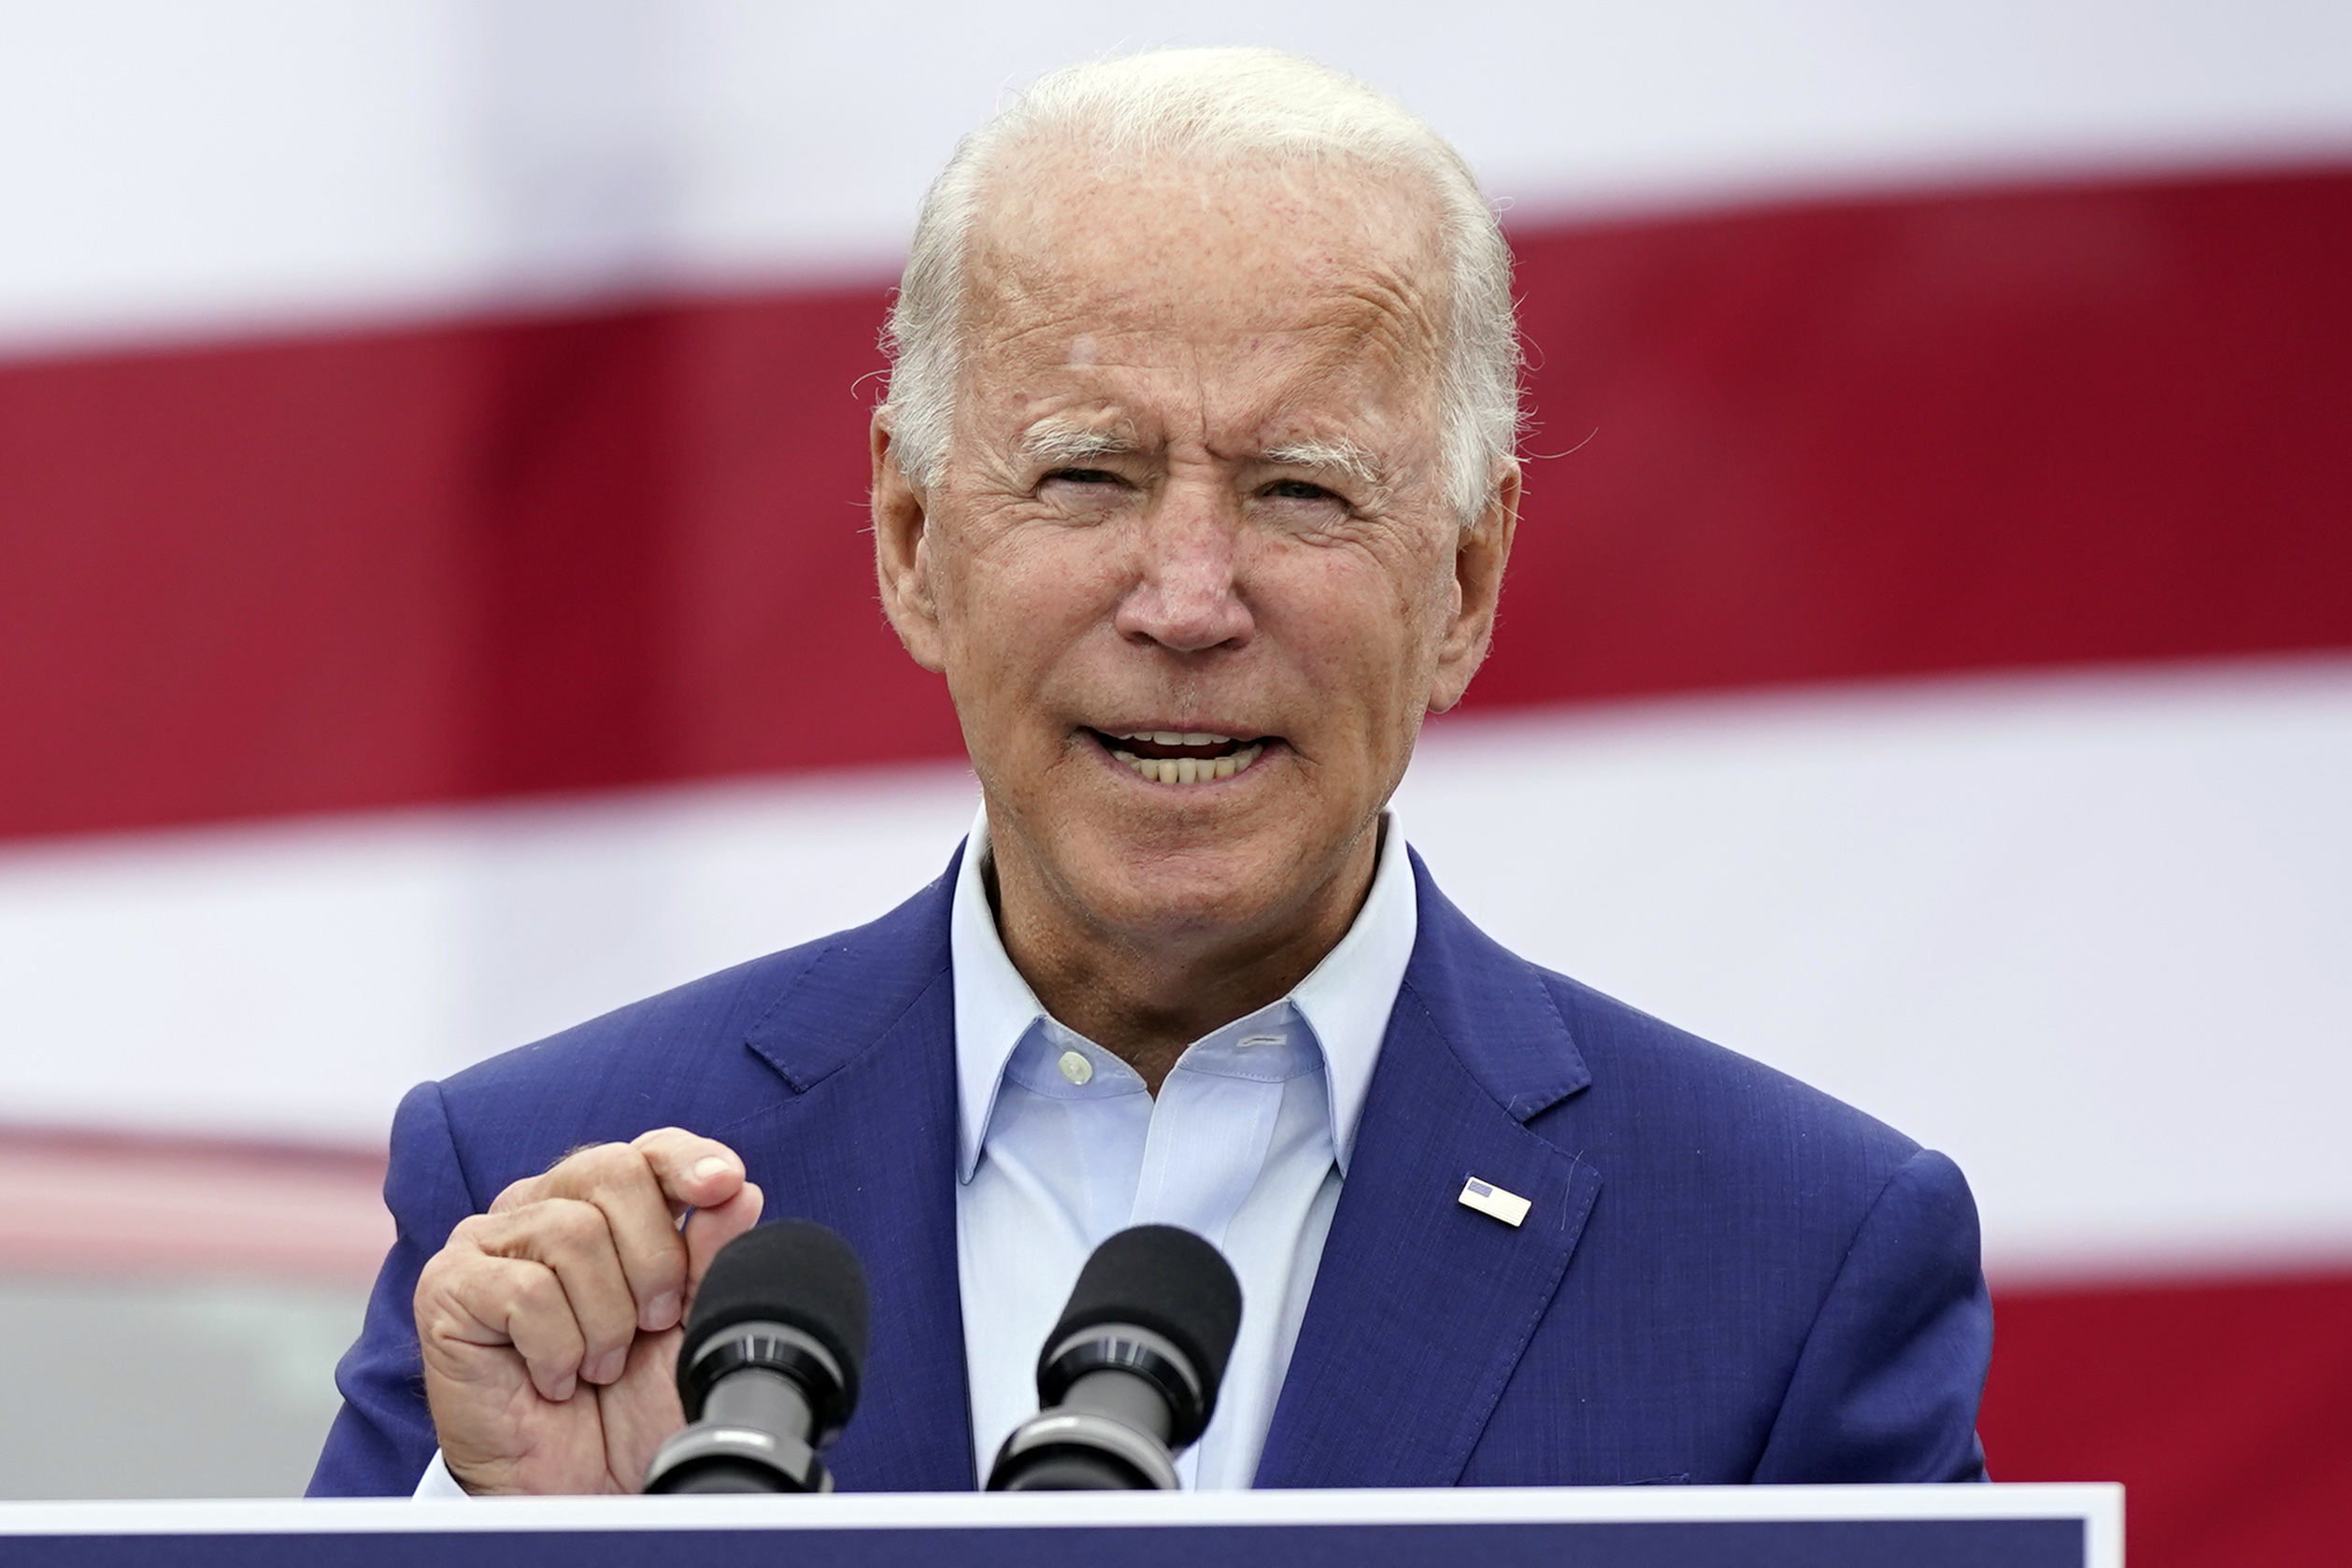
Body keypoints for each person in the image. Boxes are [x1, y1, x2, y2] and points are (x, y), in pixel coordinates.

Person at [310, 48, 1989, 1497]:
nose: (1187, 599)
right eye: (1089, 475)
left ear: (1465, 580)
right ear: (911, 540)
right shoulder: (543, 1202)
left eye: (1301, 492)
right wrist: (505, 1529)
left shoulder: (1792, 1258)